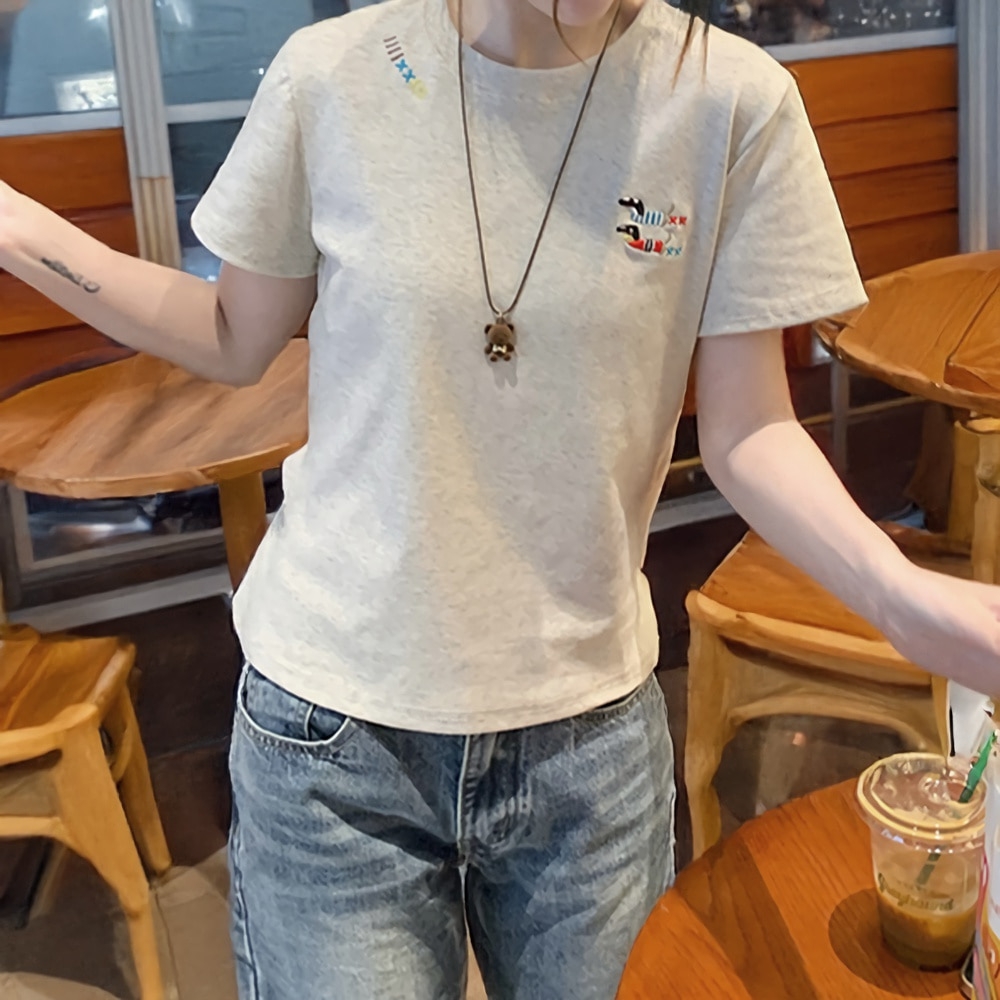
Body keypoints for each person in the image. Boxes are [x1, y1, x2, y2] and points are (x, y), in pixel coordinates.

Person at [2, 0, 998, 996]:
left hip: (587, 735)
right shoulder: (335, 74)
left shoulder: (728, 101)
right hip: (333, 733)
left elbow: (748, 431)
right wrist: (16, 225)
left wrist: (898, 596)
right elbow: (231, 333)